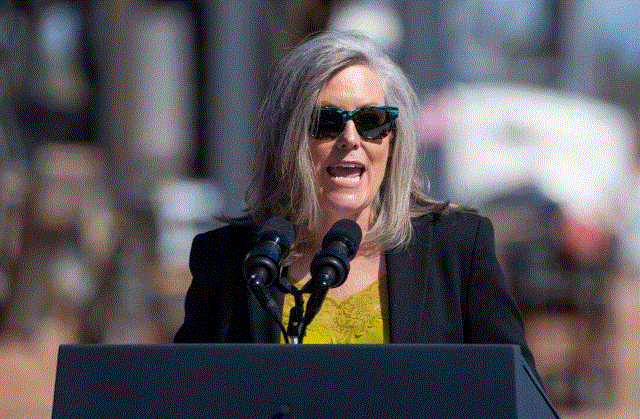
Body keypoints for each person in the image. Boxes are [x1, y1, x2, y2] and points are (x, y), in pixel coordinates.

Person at [174, 31, 540, 379]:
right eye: (326, 122)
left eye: (371, 121)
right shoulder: (227, 261)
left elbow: (517, 397)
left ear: (393, 140)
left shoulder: (457, 249)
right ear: (287, 138)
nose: (350, 139)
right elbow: (186, 397)